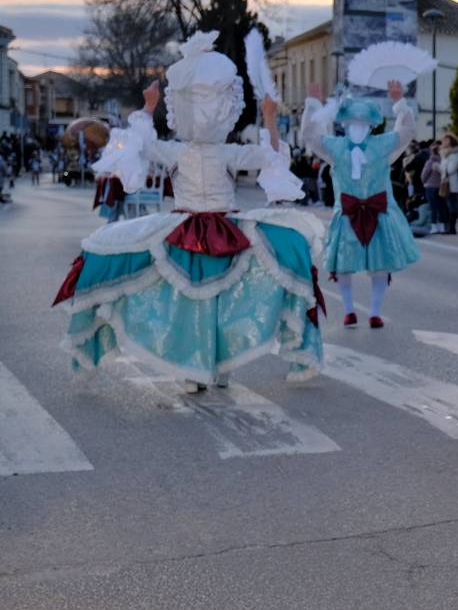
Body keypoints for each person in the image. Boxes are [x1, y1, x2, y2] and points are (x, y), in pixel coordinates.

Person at [56, 30, 322, 388]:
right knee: (185, 303)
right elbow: (142, 144)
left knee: (222, 302)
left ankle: (217, 365)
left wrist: (270, 119)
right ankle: (193, 367)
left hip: (226, 230)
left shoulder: (227, 153)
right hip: (184, 231)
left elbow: (271, 159)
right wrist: (148, 107)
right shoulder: (176, 151)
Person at [300, 43, 435, 328]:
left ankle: (374, 311)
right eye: (352, 123)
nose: (357, 127)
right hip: (347, 213)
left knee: (379, 266)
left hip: (378, 213)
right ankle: (349, 309)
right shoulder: (336, 147)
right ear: (345, 125)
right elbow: (310, 138)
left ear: (370, 125)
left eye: (362, 123)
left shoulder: (381, 145)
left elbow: (407, 131)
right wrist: (312, 105)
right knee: (344, 266)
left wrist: (400, 103)